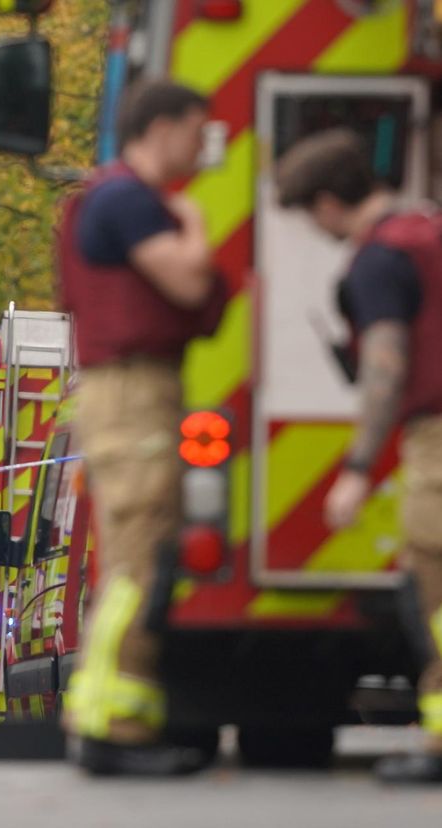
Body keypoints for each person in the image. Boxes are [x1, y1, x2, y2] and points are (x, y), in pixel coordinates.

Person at [57, 79, 229, 775]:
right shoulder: (129, 200)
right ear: (161, 126)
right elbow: (190, 286)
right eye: (196, 128)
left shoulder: (117, 198)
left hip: (134, 388)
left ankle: (116, 717)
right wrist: (194, 223)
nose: (202, 143)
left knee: (140, 560)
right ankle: (110, 726)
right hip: (132, 392)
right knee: (135, 563)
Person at [276, 128, 442, 784]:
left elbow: (385, 368)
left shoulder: (378, 260)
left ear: (327, 202)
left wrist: (354, 470)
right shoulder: (427, 231)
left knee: (434, 579)